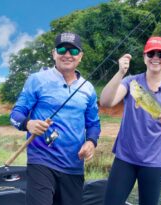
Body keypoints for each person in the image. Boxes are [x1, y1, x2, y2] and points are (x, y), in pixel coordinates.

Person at [10, 32, 101, 205]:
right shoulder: (36, 80)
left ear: (80, 56)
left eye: (73, 51)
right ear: (54, 53)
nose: (67, 55)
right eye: (62, 49)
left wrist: (91, 142)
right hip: (41, 162)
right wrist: (28, 124)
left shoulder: (88, 88)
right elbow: (15, 114)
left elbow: (94, 124)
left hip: (74, 167)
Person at [100, 36, 161, 205]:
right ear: (144, 57)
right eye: (151, 53)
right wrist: (120, 73)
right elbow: (106, 102)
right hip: (125, 158)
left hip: (155, 162)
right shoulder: (131, 82)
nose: (155, 57)